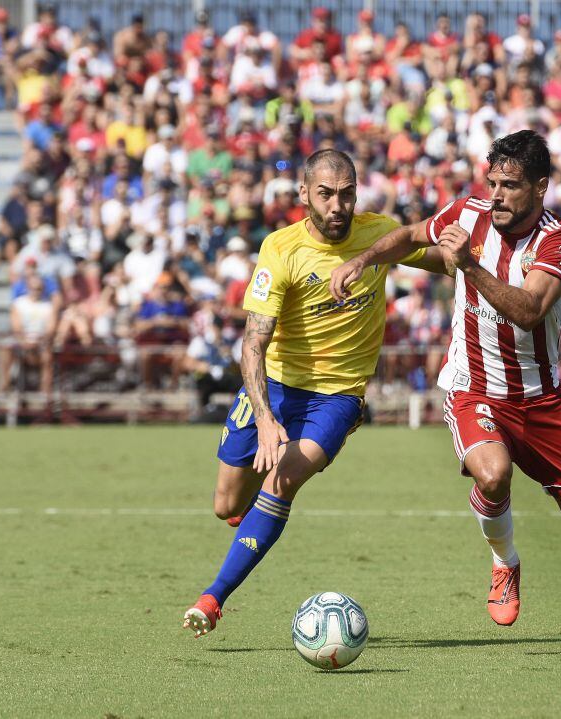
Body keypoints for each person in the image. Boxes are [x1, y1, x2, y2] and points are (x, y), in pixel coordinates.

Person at [330, 131, 561, 654]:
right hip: (473, 388)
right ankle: (505, 561)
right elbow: (413, 234)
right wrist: (364, 259)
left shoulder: (560, 240)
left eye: (511, 185)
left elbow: (529, 310)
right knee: (492, 472)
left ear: (540, 187)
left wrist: (468, 266)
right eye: (493, 183)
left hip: (540, 398)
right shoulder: (470, 213)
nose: (498, 194)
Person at [182, 149, 442, 637]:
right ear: (304, 194)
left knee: (282, 481)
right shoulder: (281, 250)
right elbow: (253, 344)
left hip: (338, 396)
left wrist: (481, 258)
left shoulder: (378, 234)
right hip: (275, 386)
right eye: (325, 194)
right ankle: (255, 516)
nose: (337, 205)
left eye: (346, 194)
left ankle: (212, 599)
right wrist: (263, 417)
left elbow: (445, 261)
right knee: (226, 505)